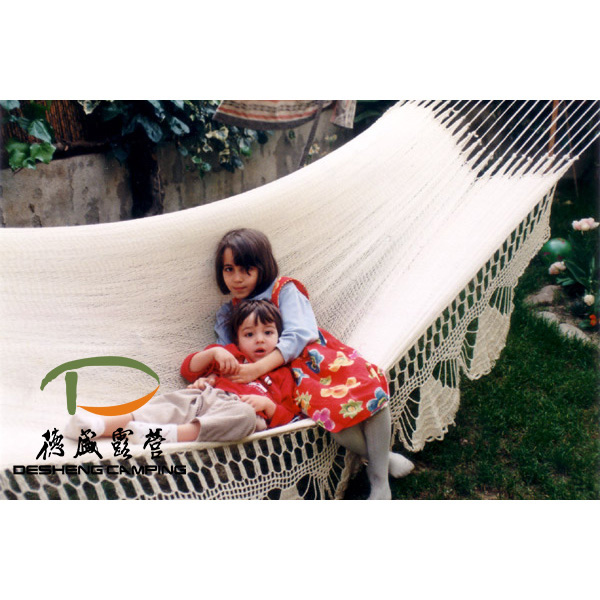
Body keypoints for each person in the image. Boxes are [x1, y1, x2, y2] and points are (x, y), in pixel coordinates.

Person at [212, 228, 414, 500]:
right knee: (333, 420)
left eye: (246, 269)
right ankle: (381, 457)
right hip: (286, 379)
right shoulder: (228, 313)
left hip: (318, 360)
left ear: (262, 267)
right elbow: (230, 354)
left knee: (370, 392)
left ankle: (379, 483)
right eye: (228, 269)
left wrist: (257, 368)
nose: (236, 278)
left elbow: (299, 334)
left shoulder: (283, 289)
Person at [64, 299, 301, 445]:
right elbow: (188, 369)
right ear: (237, 340)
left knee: (247, 418)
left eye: (268, 333)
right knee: (169, 404)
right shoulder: (231, 356)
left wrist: (267, 405)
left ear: (280, 337)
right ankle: (98, 426)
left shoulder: (283, 374)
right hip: (205, 396)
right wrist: (214, 353)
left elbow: (290, 416)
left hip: (239, 411)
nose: (259, 340)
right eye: (249, 334)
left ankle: (173, 435)